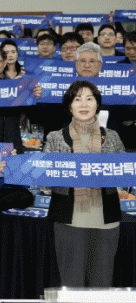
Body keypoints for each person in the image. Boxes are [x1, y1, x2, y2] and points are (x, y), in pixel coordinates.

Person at [43, 80, 124, 290]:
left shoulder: (112, 137)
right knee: (72, 287)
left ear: (97, 104)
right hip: (69, 220)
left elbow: (124, 177)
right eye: (77, 99)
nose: (84, 104)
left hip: (106, 220)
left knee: (102, 286)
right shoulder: (55, 138)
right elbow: (45, 183)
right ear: (69, 106)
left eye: (89, 99)